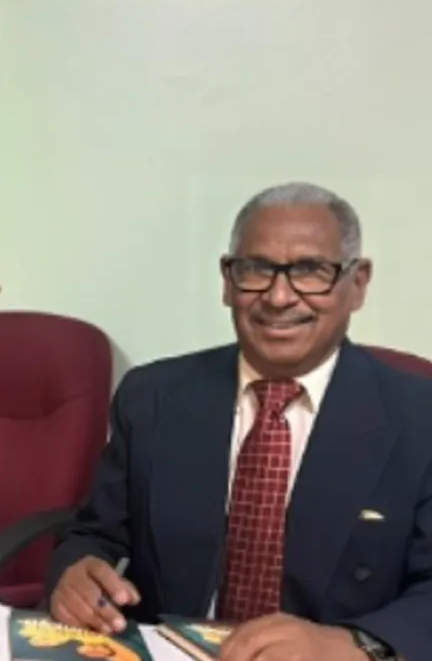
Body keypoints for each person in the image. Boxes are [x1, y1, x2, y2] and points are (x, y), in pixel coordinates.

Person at [45, 182, 432, 661]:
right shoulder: (153, 398)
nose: (279, 296)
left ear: (357, 284)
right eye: (257, 269)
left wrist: (351, 643)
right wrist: (76, 573)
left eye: (310, 271)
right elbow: (95, 535)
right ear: (228, 281)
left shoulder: (419, 417)